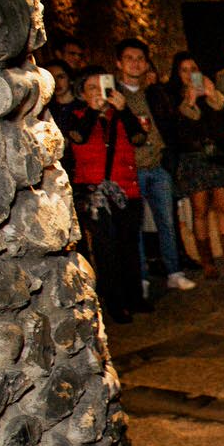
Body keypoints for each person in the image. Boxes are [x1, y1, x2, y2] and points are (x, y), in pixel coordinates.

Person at [112, 39, 195, 295]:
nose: (135, 63)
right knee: (134, 227)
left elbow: (171, 123)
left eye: (140, 59)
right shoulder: (113, 95)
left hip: (158, 165)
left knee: (167, 222)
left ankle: (174, 272)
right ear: (119, 63)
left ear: (147, 63)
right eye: (129, 58)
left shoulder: (155, 92)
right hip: (130, 169)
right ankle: (141, 278)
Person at [65, 68, 147, 322]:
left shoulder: (120, 116)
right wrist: (93, 111)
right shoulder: (75, 115)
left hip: (126, 189)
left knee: (129, 245)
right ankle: (115, 303)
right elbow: (78, 137)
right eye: (92, 88)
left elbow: (139, 137)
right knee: (105, 249)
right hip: (94, 194)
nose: (99, 93)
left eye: (103, 87)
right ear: (82, 93)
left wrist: (123, 110)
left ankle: (135, 297)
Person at [167, 52, 224, 277]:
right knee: (200, 211)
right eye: (184, 70)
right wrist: (189, 102)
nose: (191, 74)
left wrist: (213, 97)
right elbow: (179, 132)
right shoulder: (174, 97)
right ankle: (208, 262)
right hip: (195, 159)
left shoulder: (213, 93)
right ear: (177, 74)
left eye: (194, 69)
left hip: (219, 157)